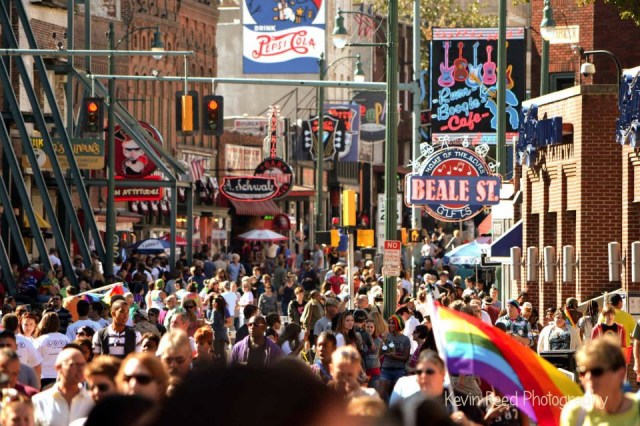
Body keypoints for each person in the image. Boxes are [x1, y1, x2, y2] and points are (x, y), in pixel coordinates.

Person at [561, 336, 640, 425]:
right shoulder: (575, 413)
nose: (589, 377)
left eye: (597, 371)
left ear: (621, 374)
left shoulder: (637, 412)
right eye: (583, 372)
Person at [32, 347, 93, 426]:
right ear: (58, 367)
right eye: (75, 365)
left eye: (83, 365)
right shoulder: (39, 402)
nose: (81, 369)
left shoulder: (92, 401)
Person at [378, 315, 411, 402]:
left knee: (396, 398)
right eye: (389, 323)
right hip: (386, 370)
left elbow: (406, 358)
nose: (390, 325)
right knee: (381, 395)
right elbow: (379, 354)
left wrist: (394, 356)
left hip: (399, 370)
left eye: (393, 323)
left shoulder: (405, 339)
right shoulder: (387, 336)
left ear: (399, 324)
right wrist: (383, 341)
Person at [34, 312, 70, 388]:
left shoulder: (40, 340)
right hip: (62, 376)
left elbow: (34, 361)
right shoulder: (66, 339)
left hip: (44, 377)